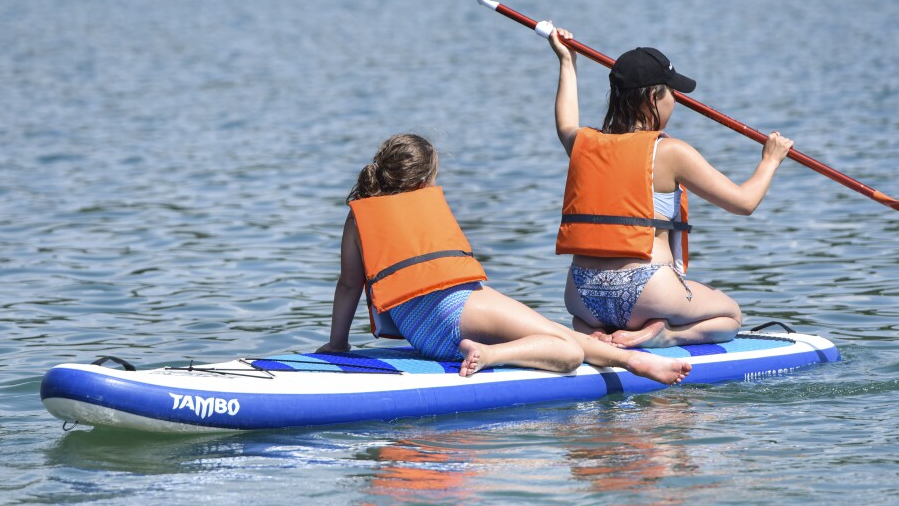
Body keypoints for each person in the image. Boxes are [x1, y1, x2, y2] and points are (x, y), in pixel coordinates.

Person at [318, 134, 692, 384]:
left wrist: (337, 345)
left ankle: (633, 360)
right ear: (423, 182)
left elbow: (349, 285)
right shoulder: (418, 207)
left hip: (421, 333)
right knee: (566, 348)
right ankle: (494, 354)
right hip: (457, 309)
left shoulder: (359, 218)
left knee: (556, 332)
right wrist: (489, 350)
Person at [547, 30, 794, 348]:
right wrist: (770, 160)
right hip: (647, 292)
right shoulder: (669, 152)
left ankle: (589, 333)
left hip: (581, 295)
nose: (676, 101)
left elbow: (565, 121)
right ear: (653, 98)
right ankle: (663, 336)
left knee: (589, 316)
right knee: (730, 316)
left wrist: (566, 61)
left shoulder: (581, 143)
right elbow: (744, 202)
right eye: (673, 94)